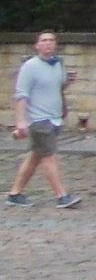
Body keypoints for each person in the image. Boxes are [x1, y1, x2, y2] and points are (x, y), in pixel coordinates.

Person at [10, 30, 80, 209]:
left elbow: (57, 88)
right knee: (49, 157)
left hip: (54, 118)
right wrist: (20, 121)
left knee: (35, 157)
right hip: (39, 120)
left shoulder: (57, 65)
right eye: (44, 40)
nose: (48, 43)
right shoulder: (30, 67)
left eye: (51, 40)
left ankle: (14, 194)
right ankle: (61, 196)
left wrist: (68, 82)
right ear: (37, 45)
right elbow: (21, 95)